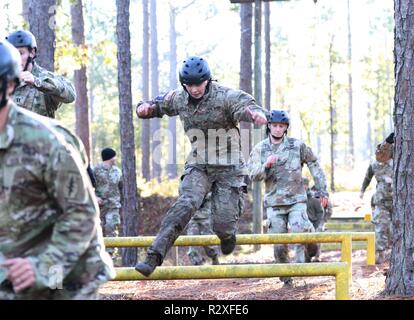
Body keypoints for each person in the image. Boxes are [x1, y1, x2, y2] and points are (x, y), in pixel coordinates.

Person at [0, 40, 114, 299]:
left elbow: (82, 214)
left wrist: (43, 269)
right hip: (14, 268)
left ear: (7, 85)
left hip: (65, 274)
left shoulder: (47, 143)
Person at [135, 55, 268, 276]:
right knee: (186, 203)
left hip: (229, 165)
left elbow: (245, 106)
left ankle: (226, 235)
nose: (195, 89)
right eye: (190, 85)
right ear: (183, 84)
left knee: (222, 223)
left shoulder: (225, 95)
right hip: (200, 163)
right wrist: (144, 109)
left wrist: (254, 115)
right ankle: (154, 256)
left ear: (207, 80)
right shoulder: (179, 98)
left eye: (199, 84)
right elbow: (156, 104)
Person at [247, 110, 328, 287]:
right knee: (279, 244)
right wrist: (265, 166)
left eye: (281, 126)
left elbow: (314, 165)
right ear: (269, 126)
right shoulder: (260, 149)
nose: (277, 129)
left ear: (286, 128)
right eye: (274, 125)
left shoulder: (297, 146)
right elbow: (252, 175)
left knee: (301, 231)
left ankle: (312, 245)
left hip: (297, 200)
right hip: (274, 204)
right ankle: (286, 279)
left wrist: (322, 191)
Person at [6, 29, 75, 118]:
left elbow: (71, 95)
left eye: (21, 53)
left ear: (32, 52)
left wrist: (37, 82)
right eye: (12, 54)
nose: (16, 59)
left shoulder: (44, 78)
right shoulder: (4, 79)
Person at [360, 150, 393, 264]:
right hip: (381, 201)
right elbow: (367, 178)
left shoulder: (397, 163)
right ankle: (380, 253)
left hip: (397, 201)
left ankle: (393, 252)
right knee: (380, 227)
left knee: (394, 228)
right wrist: (362, 191)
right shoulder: (374, 166)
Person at [94, 148, 123, 259]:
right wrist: (95, 197)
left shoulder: (117, 171)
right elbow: (88, 185)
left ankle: (111, 253)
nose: (115, 158)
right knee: (99, 228)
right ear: (110, 157)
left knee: (111, 225)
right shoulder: (96, 170)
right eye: (114, 156)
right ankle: (99, 253)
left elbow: (121, 187)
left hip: (113, 205)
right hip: (100, 206)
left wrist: (120, 201)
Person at [186, 193, 220, 266]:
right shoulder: (187, 182)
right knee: (192, 244)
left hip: (206, 217)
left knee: (209, 244)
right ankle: (198, 266)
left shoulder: (206, 182)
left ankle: (214, 258)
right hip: (192, 217)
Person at [303, 177, 325, 262]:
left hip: (314, 223)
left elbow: (321, 211)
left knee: (316, 239)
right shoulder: (296, 199)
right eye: (302, 184)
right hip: (302, 224)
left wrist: (317, 223)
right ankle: (305, 258)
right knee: (303, 243)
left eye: (305, 184)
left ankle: (317, 256)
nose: (303, 186)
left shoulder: (314, 199)